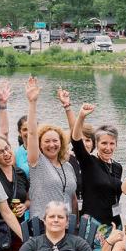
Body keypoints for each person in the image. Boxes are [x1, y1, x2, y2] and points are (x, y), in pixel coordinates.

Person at [24, 76, 78, 215]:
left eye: (55, 141)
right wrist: (32, 102)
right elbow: (31, 133)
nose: (52, 145)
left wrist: (67, 107)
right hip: (42, 225)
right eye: (46, 141)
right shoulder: (37, 162)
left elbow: (75, 133)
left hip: (66, 225)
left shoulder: (68, 166)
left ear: (61, 143)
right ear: (40, 145)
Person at [71, 100, 123, 226]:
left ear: (116, 144)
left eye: (112, 143)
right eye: (104, 143)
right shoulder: (89, 162)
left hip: (114, 222)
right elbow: (76, 141)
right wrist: (81, 116)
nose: (108, 147)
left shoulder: (117, 167)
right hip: (93, 223)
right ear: (96, 144)